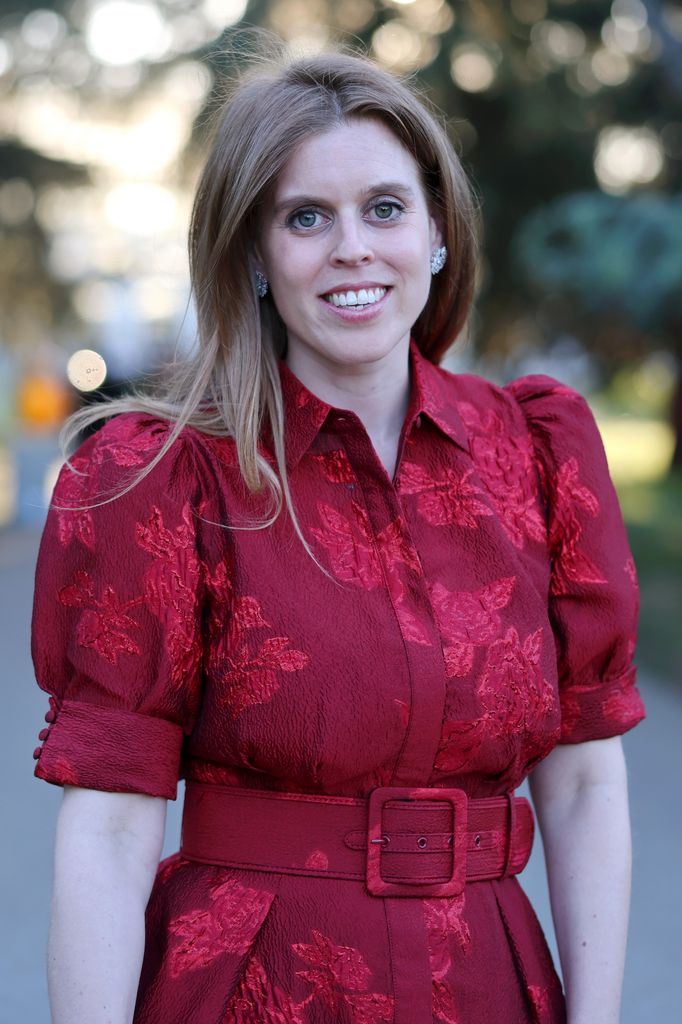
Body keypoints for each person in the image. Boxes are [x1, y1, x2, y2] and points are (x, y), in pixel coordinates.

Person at [31, 47, 645, 1024]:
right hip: (249, 986)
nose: (352, 246)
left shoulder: (537, 455)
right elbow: (107, 829)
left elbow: (579, 782)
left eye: (385, 208)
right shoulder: (162, 481)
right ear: (254, 256)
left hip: (486, 981)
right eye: (305, 217)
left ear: (437, 232)